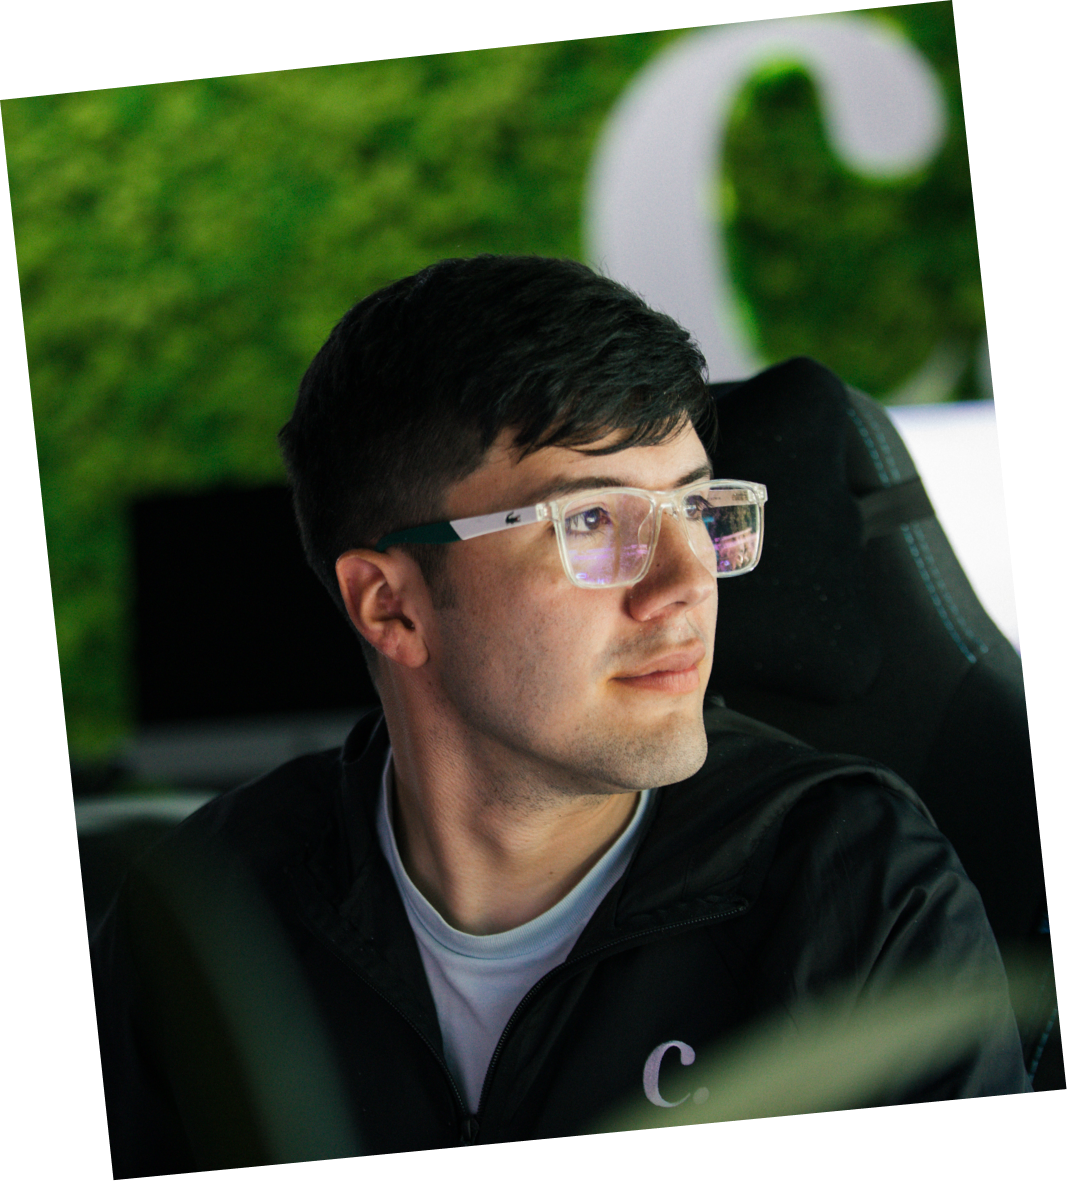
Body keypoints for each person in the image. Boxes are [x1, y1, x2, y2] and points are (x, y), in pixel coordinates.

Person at [90, 255, 1030, 1175]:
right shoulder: (205, 922)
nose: (685, 583)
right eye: (590, 521)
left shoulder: (854, 883)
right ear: (391, 605)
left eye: (696, 507)